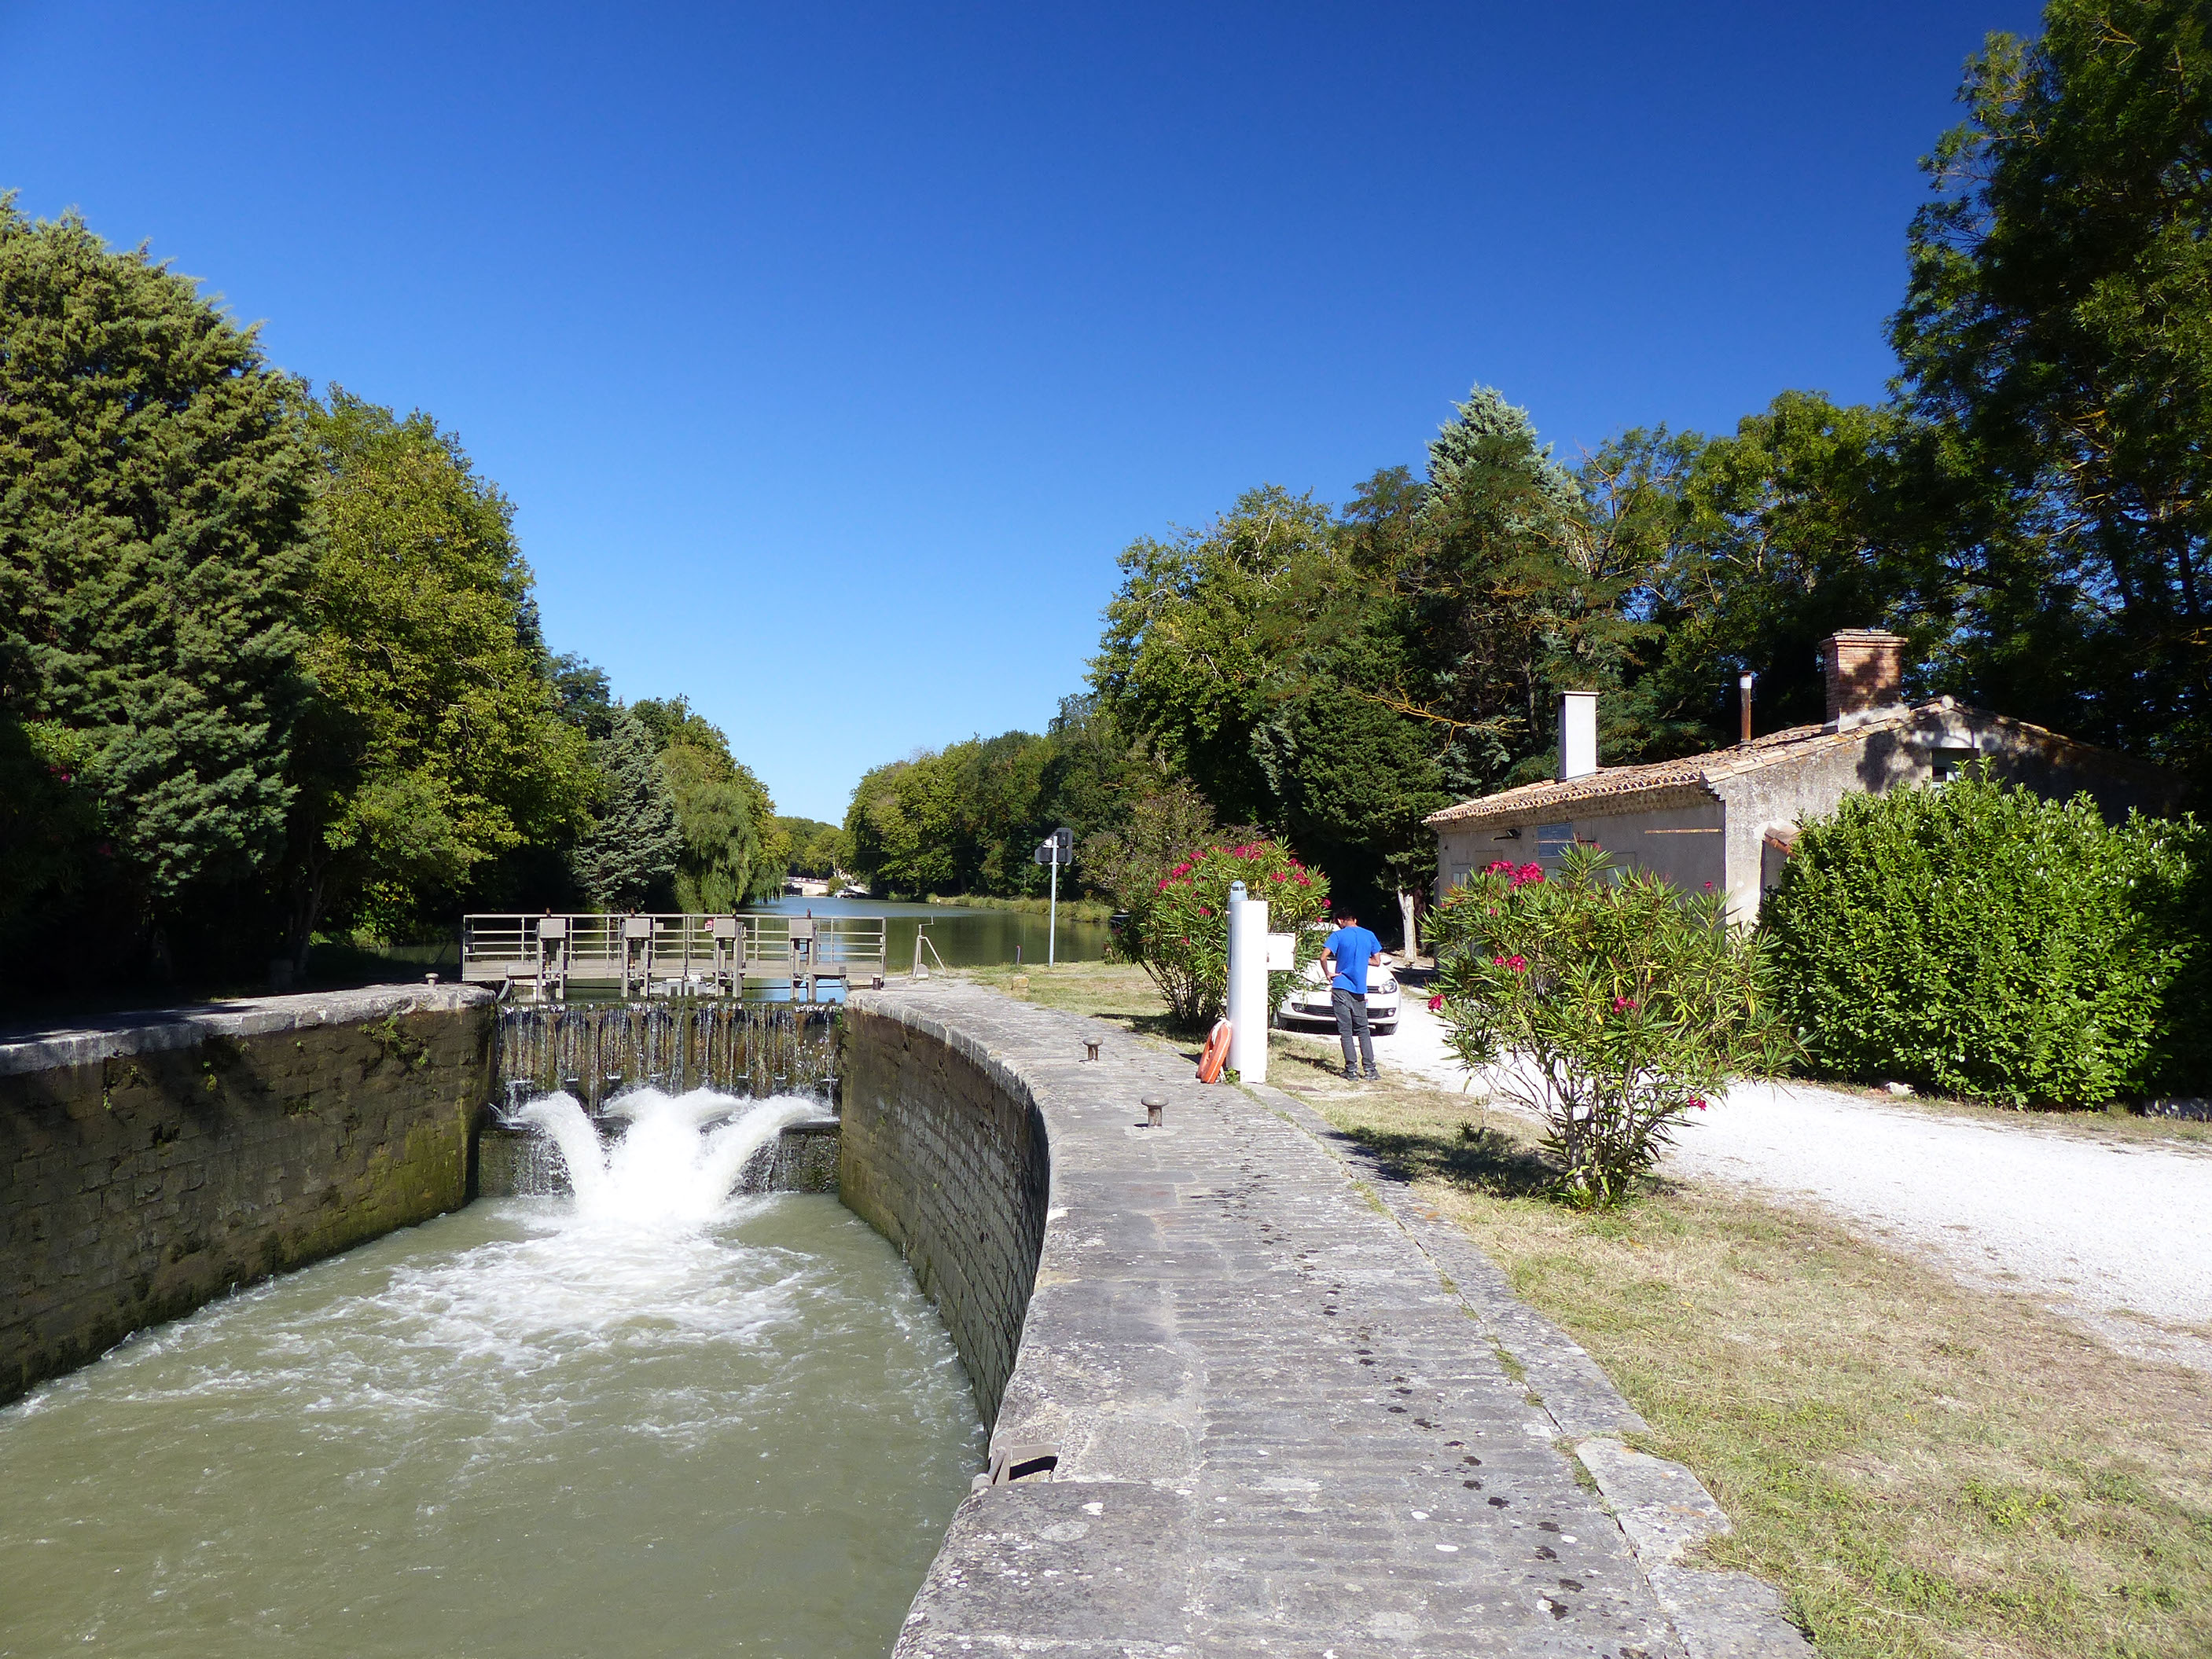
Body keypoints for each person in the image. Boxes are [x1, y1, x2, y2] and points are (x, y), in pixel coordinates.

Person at [1322, 910, 1385, 1081]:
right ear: (1355, 919)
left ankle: (1351, 1071)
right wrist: (1361, 959)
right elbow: (1377, 961)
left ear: (1340, 920)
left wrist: (1328, 973)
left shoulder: (1338, 936)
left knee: (1346, 1031)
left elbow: (1323, 956)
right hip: (1359, 989)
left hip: (1341, 986)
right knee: (1363, 1029)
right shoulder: (1369, 935)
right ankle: (1370, 1070)